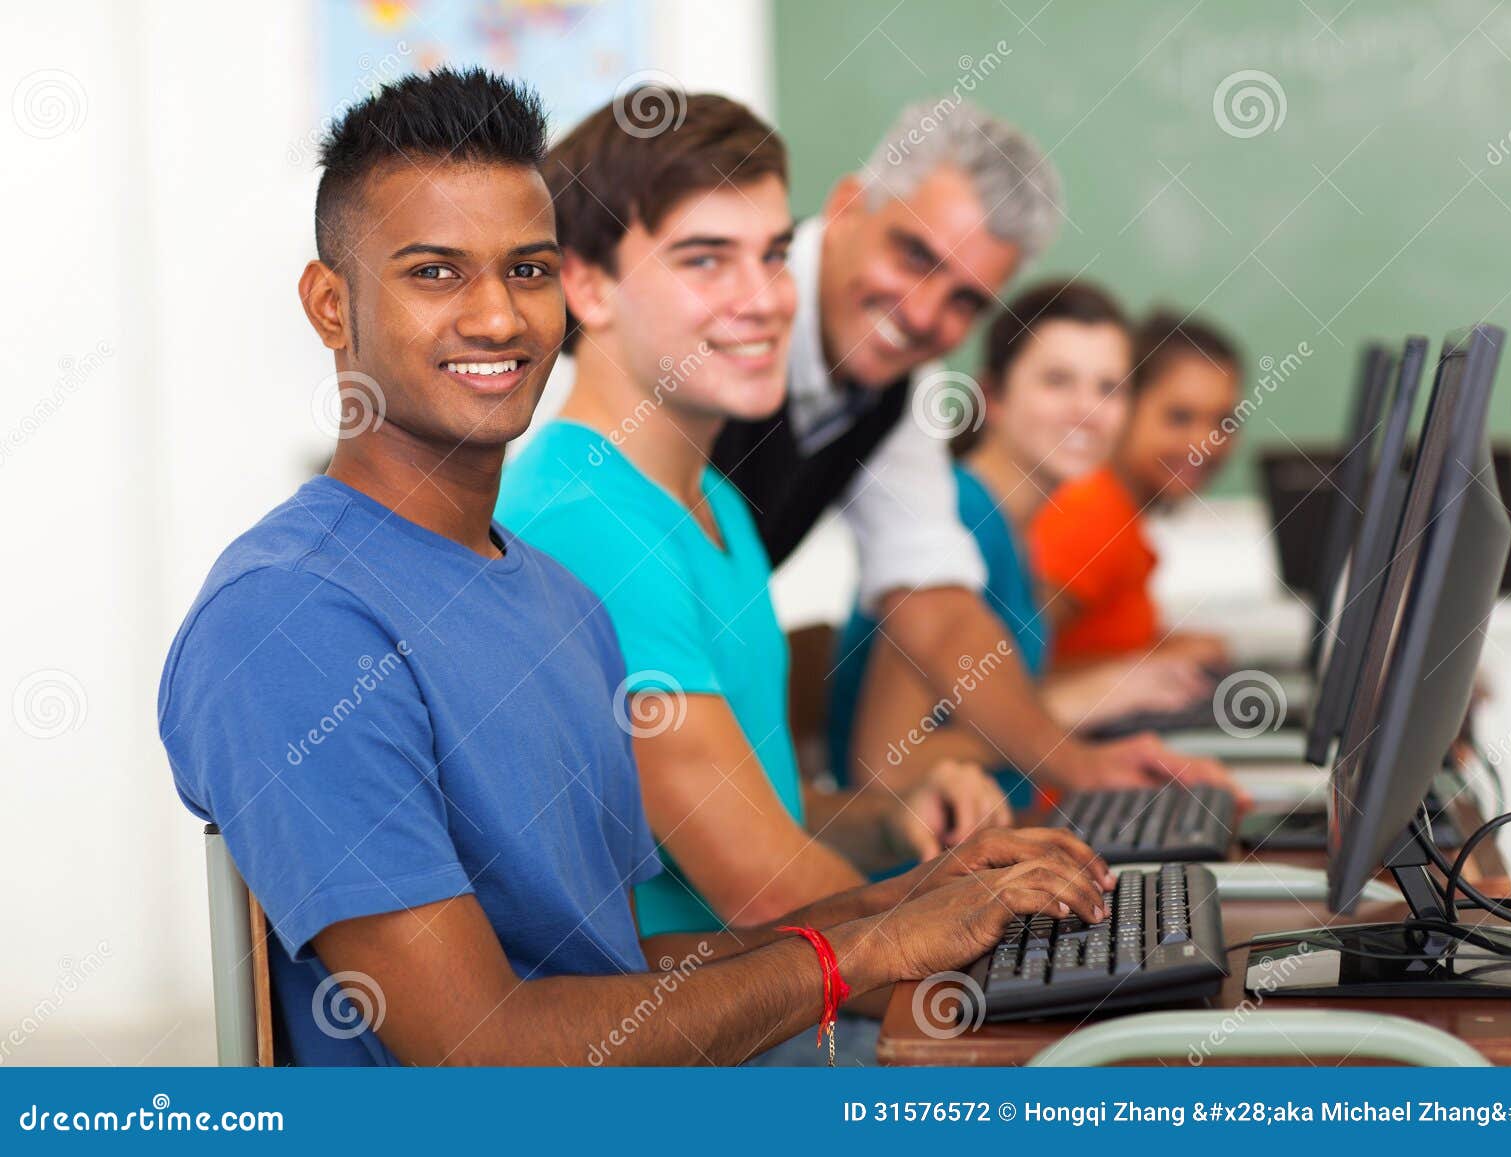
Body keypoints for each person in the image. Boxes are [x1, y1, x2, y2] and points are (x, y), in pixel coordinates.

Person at [156, 68, 1110, 1067]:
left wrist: (914, 896)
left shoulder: (554, 598)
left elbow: (610, 963)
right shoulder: (292, 616)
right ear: (330, 305)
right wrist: (860, 943)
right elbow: (481, 1046)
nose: (496, 318)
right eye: (435, 272)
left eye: (526, 270)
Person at [496, 91, 1010, 959]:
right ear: (586, 283)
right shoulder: (581, 522)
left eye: (772, 255)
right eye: (705, 260)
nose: (765, 299)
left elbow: (764, 813)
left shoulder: (715, 504)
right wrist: (988, 933)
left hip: (774, 1015)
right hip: (695, 1054)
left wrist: (895, 825)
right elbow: (761, 887)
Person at [708, 100, 1233, 798]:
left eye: (965, 300)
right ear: (847, 206)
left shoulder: (901, 387)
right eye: (914, 255)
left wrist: (1081, 766)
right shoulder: (726, 316)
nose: (924, 315)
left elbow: (936, 603)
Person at [828, 282, 1224, 806]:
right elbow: (884, 767)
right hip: (929, 873)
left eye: (1109, 388)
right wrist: (1073, 708)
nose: (1087, 410)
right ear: (993, 397)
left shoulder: (1012, 528)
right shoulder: (958, 521)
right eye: (1057, 382)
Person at [1030, 310, 1243, 668]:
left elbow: (1077, 646)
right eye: (1179, 417)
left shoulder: (1119, 513)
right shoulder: (1091, 513)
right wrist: (1144, 666)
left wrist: (1156, 649)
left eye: (1225, 421)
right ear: (1123, 407)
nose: (1206, 442)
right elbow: (998, 672)